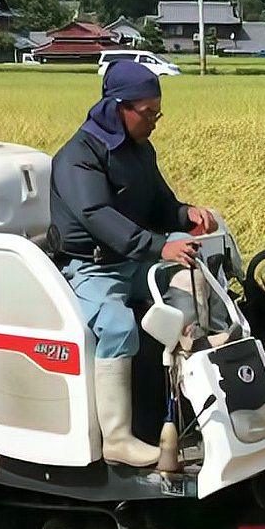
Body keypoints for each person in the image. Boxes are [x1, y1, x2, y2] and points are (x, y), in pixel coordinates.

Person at [50, 60, 217, 467]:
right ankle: (118, 438)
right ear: (117, 107)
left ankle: (195, 386)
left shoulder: (139, 150)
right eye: (148, 113)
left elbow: (159, 203)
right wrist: (158, 247)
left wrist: (184, 216)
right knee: (118, 324)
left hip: (131, 260)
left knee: (192, 267)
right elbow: (98, 217)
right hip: (90, 268)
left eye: (158, 112)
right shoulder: (77, 157)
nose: (155, 122)